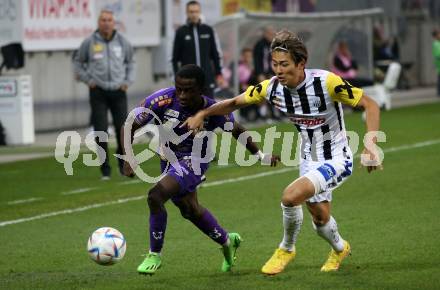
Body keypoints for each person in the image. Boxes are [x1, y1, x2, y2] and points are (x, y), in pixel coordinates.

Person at [182, 30, 382, 274]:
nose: (278, 70)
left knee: (290, 197)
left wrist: (371, 145)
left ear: (301, 63)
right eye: (274, 64)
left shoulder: (327, 82)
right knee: (319, 219)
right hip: (308, 157)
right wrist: (203, 113)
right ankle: (340, 248)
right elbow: (235, 102)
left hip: (337, 157)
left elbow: (370, 104)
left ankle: (286, 248)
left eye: (284, 64)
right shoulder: (272, 88)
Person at [121, 64, 280, 275]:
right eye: (179, 89)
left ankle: (154, 254)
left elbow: (237, 130)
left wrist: (261, 156)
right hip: (168, 159)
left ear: (201, 89)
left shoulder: (213, 110)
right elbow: (129, 124)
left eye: (188, 90)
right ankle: (227, 241)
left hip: (194, 161)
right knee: (190, 210)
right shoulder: (163, 100)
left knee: (155, 196)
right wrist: (128, 158)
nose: (182, 95)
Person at [73, 9, 135, 179]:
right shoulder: (90, 42)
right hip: (97, 91)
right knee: (100, 131)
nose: (106, 23)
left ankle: (123, 166)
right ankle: (105, 169)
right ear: (98, 23)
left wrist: (127, 82)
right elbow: (78, 62)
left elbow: (131, 62)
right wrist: (88, 80)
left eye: (109, 20)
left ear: (113, 23)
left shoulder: (122, 42)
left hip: (118, 91)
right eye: (103, 20)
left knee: (123, 130)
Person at [171, 1, 225, 98]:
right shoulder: (181, 32)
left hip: (207, 81)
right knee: (190, 112)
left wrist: (219, 74)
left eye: (196, 11)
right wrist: (177, 78)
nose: (194, 14)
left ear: (200, 12)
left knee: (209, 110)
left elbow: (216, 55)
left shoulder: (208, 30)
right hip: (188, 83)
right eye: (191, 12)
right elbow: (174, 59)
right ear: (187, 13)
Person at [432, 29, 440, 96]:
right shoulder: (436, 44)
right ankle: (439, 92)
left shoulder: (438, 43)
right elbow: (438, 55)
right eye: (439, 34)